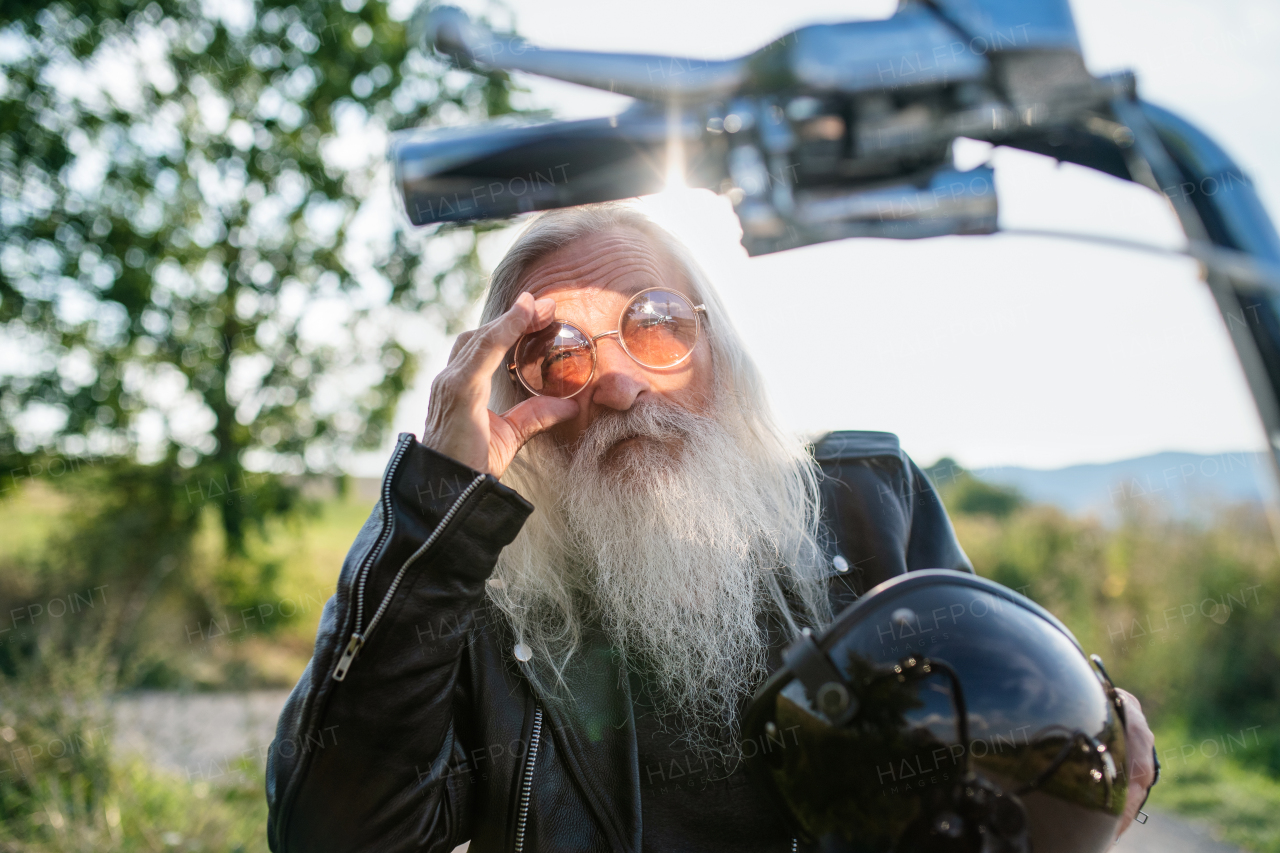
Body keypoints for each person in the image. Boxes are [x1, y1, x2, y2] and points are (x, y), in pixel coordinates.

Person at [266, 203, 1155, 853]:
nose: (619, 386)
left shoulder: (866, 508)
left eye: (654, 327)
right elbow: (335, 834)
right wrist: (437, 506)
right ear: (511, 400)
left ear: (721, 353)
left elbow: (1001, 730)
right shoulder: (481, 605)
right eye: (560, 358)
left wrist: (1091, 727)